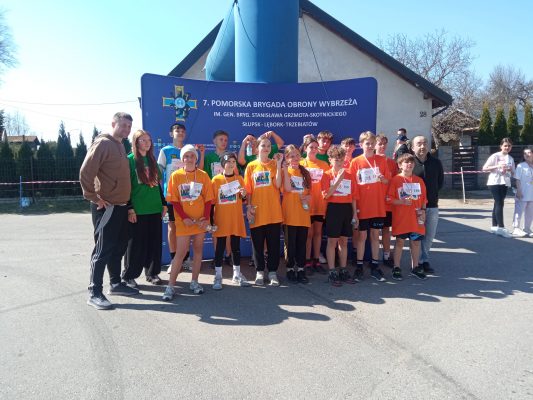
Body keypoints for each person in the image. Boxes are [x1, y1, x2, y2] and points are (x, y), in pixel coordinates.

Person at [80, 112, 139, 310]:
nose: (126, 129)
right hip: (106, 207)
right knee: (103, 250)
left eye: (129, 126)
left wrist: (128, 206)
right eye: (123, 125)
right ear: (113, 124)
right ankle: (94, 292)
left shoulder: (120, 146)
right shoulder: (103, 144)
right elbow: (85, 172)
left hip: (121, 207)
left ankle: (115, 283)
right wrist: (94, 197)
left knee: (119, 246)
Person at [162, 145, 214, 301]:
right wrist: (184, 217)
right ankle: (170, 286)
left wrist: (205, 217)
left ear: (196, 158)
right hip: (183, 221)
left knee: (198, 251)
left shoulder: (203, 175)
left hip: (200, 222)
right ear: (182, 159)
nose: (189, 159)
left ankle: (194, 282)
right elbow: (174, 200)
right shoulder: (176, 176)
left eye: (192, 156)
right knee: (180, 253)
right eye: (186, 156)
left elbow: (208, 199)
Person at [123, 130, 166, 287]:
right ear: (135, 142)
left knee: (153, 243)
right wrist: (130, 208)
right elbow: (125, 187)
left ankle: (152, 273)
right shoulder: (129, 160)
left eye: (149, 140)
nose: (147, 143)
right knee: (135, 245)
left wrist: (163, 203)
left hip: (154, 208)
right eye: (143, 140)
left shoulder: (152, 160)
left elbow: (158, 186)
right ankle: (129, 276)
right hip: (138, 210)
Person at [350, 131, 390, 282]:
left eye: (373, 143)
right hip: (362, 206)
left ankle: (374, 266)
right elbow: (352, 187)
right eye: (367, 143)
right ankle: (359, 266)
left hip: (377, 205)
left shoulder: (381, 160)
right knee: (362, 236)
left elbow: (387, 181)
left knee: (375, 235)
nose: (370, 146)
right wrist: (354, 210)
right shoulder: (355, 162)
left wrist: (383, 178)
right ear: (361, 145)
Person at [244, 137, 283, 286]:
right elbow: (248, 190)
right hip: (257, 211)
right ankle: (259, 271)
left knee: (273, 244)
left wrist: (278, 164)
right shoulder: (251, 166)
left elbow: (278, 185)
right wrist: (248, 207)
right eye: (263, 146)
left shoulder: (274, 164)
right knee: (257, 244)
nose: (266, 148)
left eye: (268, 146)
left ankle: (272, 272)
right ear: (257, 148)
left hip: (273, 211)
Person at [211, 152, 251, 289]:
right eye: (228, 162)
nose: (231, 164)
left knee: (235, 247)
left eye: (233, 162)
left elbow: (243, 198)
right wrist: (211, 220)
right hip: (221, 219)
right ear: (223, 164)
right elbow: (211, 202)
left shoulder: (239, 179)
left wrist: (244, 194)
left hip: (235, 218)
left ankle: (237, 275)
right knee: (220, 247)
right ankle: (218, 276)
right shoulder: (216, 180)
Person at [321, 145, 359, 286]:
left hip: (347, 209)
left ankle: (343, 269)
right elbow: (326, 195)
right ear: (330, 160)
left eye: (341, 160)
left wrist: (355, 214)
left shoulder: (350, 175)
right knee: (332, 241)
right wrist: (338, 179)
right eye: (336, 160)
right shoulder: (326, 175)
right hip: (333, 209)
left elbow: (353, 197)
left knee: (343, 241)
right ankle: (332, 271)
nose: (339, 162)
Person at [387, 153, 428, 280]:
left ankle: (415, 267)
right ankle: (396, 267)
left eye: (411, 162)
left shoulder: (419, 181)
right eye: (406, 162)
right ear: (400, 165)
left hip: (416, 218)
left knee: (416, 243)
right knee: (400, 242)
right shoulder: (395, 180)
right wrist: (402, 202)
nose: (409, 164)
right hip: (401, 218)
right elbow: (389, 199)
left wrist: (423, 211)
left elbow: (424, 199)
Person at [157, 123, 192, 271]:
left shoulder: (189, 150)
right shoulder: (165, 151)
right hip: (171, 196)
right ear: (171, 134)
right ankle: (174, 260)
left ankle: (186, 258)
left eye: (183, 131)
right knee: (172, 226)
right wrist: (161, 195)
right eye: (177, 130)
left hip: (188, 196)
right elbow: (159, 174)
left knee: (187, 226)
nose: (180, 132)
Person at [411, 135, 444, 273]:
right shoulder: (409, 163)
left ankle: (424, 260)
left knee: (429, 235)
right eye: (419, 144)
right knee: (416, 236)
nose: (422, 146)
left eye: (424, 143)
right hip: (415, 207)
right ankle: (416, 262)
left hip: (432, 205)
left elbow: (440, 182)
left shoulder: (436, 163)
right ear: (413, 147)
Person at [282, 145, 311, 284]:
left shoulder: (305, 172)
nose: (295, 158)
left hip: (303, 213)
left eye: (297, 155)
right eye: (291, 156)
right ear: (287, 158)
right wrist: (285, 169)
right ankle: (289, 269)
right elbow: (287, 188)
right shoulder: (285, 171)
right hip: (289, 214)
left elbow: (310, 193)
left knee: (301, 243)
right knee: (290, 244)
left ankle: (300, 269)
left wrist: (307, 198)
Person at [300, 136, 329, 274]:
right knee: (308, 234)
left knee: (318, 233)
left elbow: (327, 184)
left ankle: (316, 260)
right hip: (306, 205)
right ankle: (306, 261)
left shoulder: (324, 164)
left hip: (320, 204)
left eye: (316, 147)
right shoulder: (300, 163)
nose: (314, 150)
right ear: (305, 148)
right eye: (311, 147)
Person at [204, 130, 233, 266]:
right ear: (214, 141)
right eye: (221, 139)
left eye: (226, 140)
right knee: (215, 228)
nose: (224, 142)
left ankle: (228, 255)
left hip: (228, 197)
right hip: (213, 198)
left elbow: (236, 176)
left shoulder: (230, 156)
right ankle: (217, 256)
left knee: (228, 228)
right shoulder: (209, 157)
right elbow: (205, 177)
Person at [482, 137, 515, 238]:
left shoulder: (510, 158)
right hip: (494, 182)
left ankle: (494, 227)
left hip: (505, 182)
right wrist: (497, 166)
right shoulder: (495, 156)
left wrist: (510, 169)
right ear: (501, 146)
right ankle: (501, 227)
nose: (507, 147)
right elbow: (484, 168)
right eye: (505, 146)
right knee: (500, 203)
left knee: (498, 203)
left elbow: (513, 172)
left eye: (509, 146)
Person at [375, 133, 399, 267]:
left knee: (385, 230)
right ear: (375, 145)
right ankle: (371, 257)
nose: (382, 146)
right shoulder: (370, 160)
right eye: (380, 144)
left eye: (384, 144)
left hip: (387, 203)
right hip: (373, 203)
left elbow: (395, 182)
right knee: (372, 232)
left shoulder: (391, 162)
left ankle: (386, 255)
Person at [511, 147, 533, 237]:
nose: (527, 155)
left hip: (532, 194)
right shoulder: (521, 166)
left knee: (530, 213)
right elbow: (517, 179)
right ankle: (516, 228)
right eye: (525, 153)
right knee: (519, 211)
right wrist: (519, 191)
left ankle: (527, 228)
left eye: (529, 153)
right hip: (523, 192)